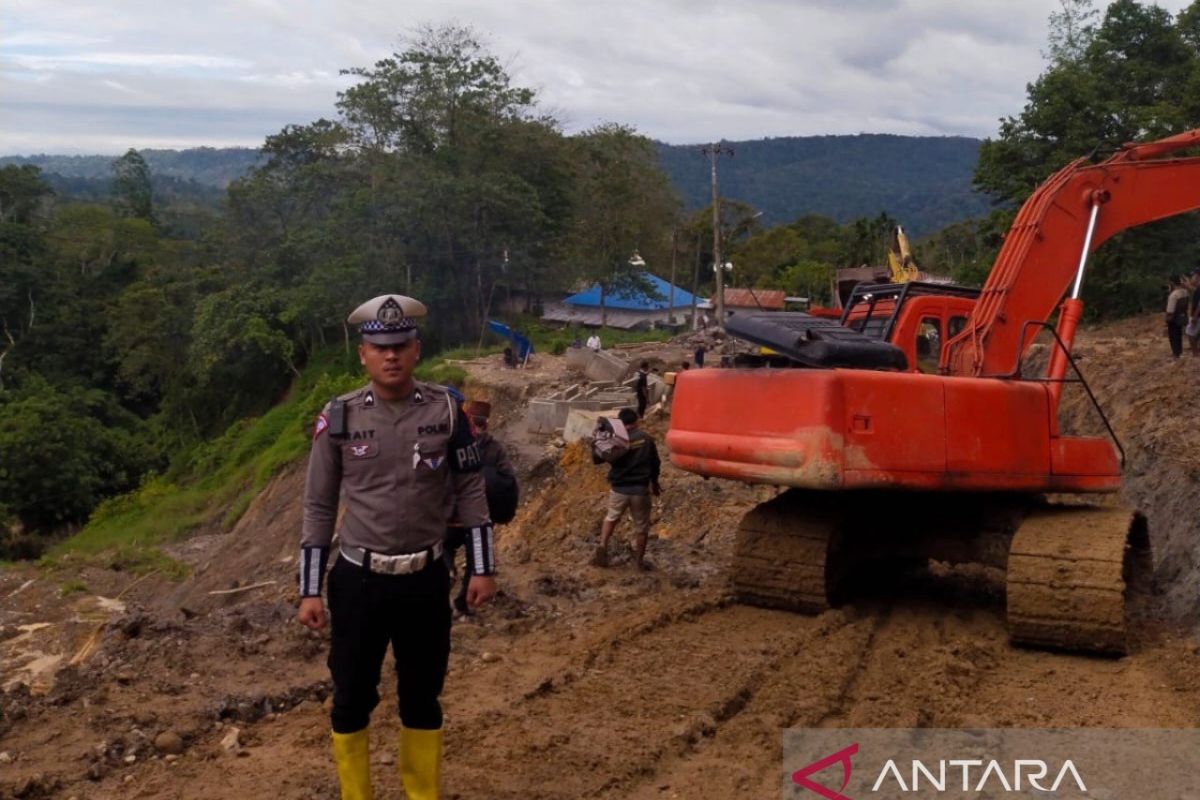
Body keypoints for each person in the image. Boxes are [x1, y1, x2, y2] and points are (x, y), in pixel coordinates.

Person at [297, 293, 497, 800]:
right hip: (358, 581)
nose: (391, 355)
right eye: (380, 346)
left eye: (401, 345)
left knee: (422, 698)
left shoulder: (447, 411)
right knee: (351, 698)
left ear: (416, 349)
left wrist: (482, 567)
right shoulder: (338, 417)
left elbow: (471, 489)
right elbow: (319, 506)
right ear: (362, 353)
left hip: (425, 580)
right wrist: (309, 589)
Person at [444, 399, 516, 617]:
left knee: (442, 550)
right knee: (477, 561)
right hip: (478, 518)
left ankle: (446, 575)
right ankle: (464, 603)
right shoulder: (494, 449)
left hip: (449, 517)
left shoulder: (455, 443)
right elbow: (508, 480)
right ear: (487, 422)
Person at [591, 408, 661, 570]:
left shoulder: (615, 441)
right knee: (641, 527)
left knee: (611, 518)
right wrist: (655, 483)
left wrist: (597, 439)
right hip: (640, 490)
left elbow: (598, 458)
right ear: (636, 421)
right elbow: (655, 464)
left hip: (619, 488)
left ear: (620, 423)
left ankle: (602, 546)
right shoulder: (647, 440)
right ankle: (639, 563)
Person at [1166, 276, 1190, 358]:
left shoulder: (1173, 295)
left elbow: (1170, 310)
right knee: (1179, 335)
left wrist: (1168, 319)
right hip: (1182, 315)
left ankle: (1176, 354)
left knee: (1173, 336)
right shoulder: (1185, 291)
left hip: (1174, 318)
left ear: (1172, 283)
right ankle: (1179, 351)